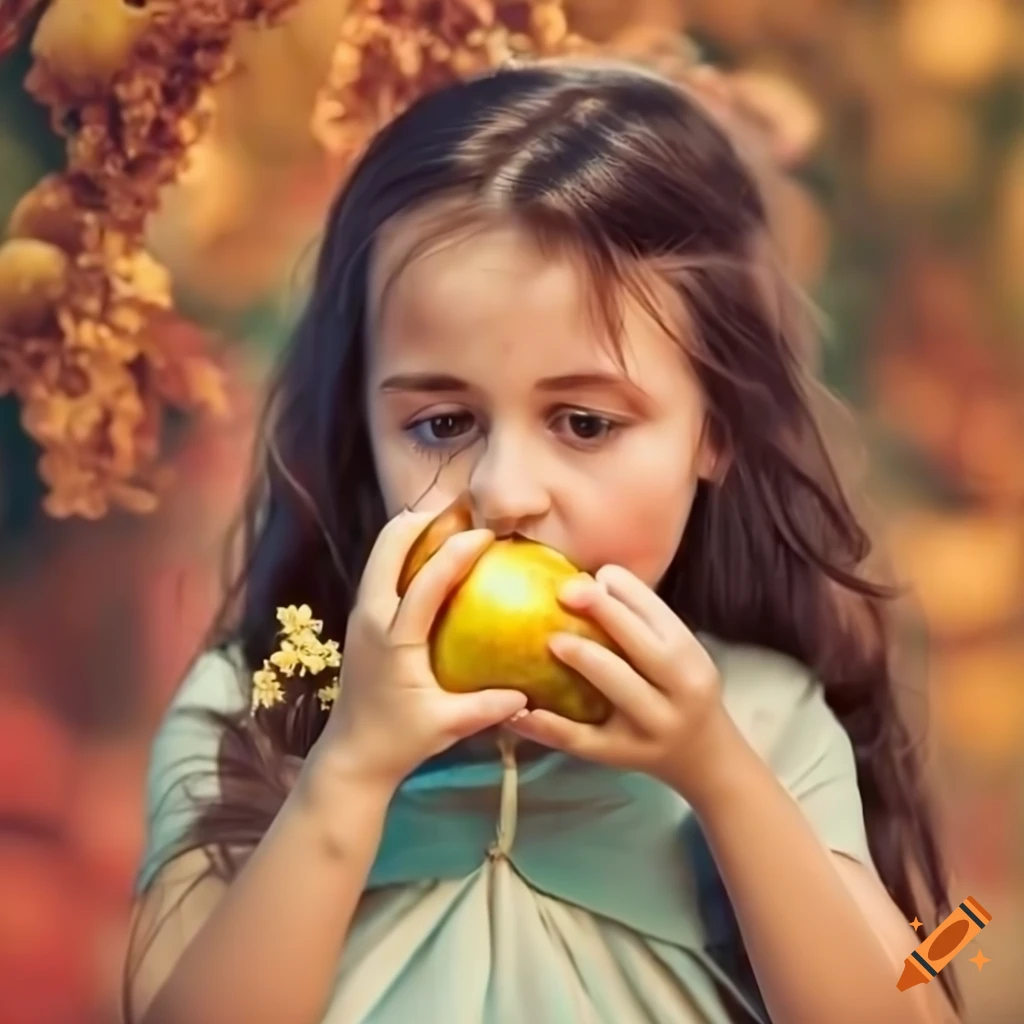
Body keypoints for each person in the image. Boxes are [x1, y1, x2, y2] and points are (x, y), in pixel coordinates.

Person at [124, 60, 959, 1024]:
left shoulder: (764, 718)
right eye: (442, 424)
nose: (505, 494)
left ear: (715, 431)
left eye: (585, 423)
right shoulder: (265, 698)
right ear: (362, 426)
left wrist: (720, 776)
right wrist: (347, 771)